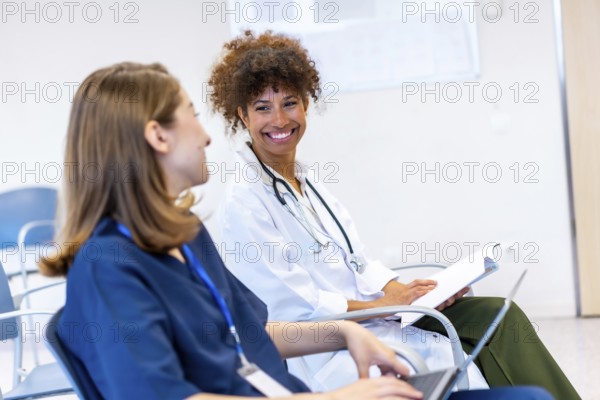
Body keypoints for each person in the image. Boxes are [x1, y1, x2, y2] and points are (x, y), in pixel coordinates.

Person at [36, 61, 555, 400]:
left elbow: (255, 333)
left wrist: (346, 331)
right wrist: (338, 398)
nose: (208, 137)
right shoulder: (109, 268)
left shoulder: (185, 237)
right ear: (158, 135)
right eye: (192, 116)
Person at [209, 31, 580, 400]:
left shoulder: (308, 182)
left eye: (290, 103)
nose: (279, 119)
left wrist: (403, 292)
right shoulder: (246, 200)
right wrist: (382, 306)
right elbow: (293, 307)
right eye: (262, 107)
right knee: (469, 345)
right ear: (241, 115)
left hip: (374, 317)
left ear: (306, 104)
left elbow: (357, 261)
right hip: (325, 347)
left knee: (499, 314)